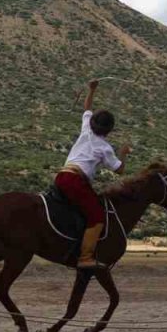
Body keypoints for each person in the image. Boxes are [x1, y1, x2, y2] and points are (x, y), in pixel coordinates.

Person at [56, 79, 131, 269]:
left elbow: (87, 108)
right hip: (76, 181)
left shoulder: (86, 130)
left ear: (92, 123)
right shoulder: (105, 148)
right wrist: (123, 153)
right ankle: (85, 257)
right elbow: (120, 170)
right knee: (97, 217)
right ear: (110, 129)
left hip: (62, 176)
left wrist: (92, 89)